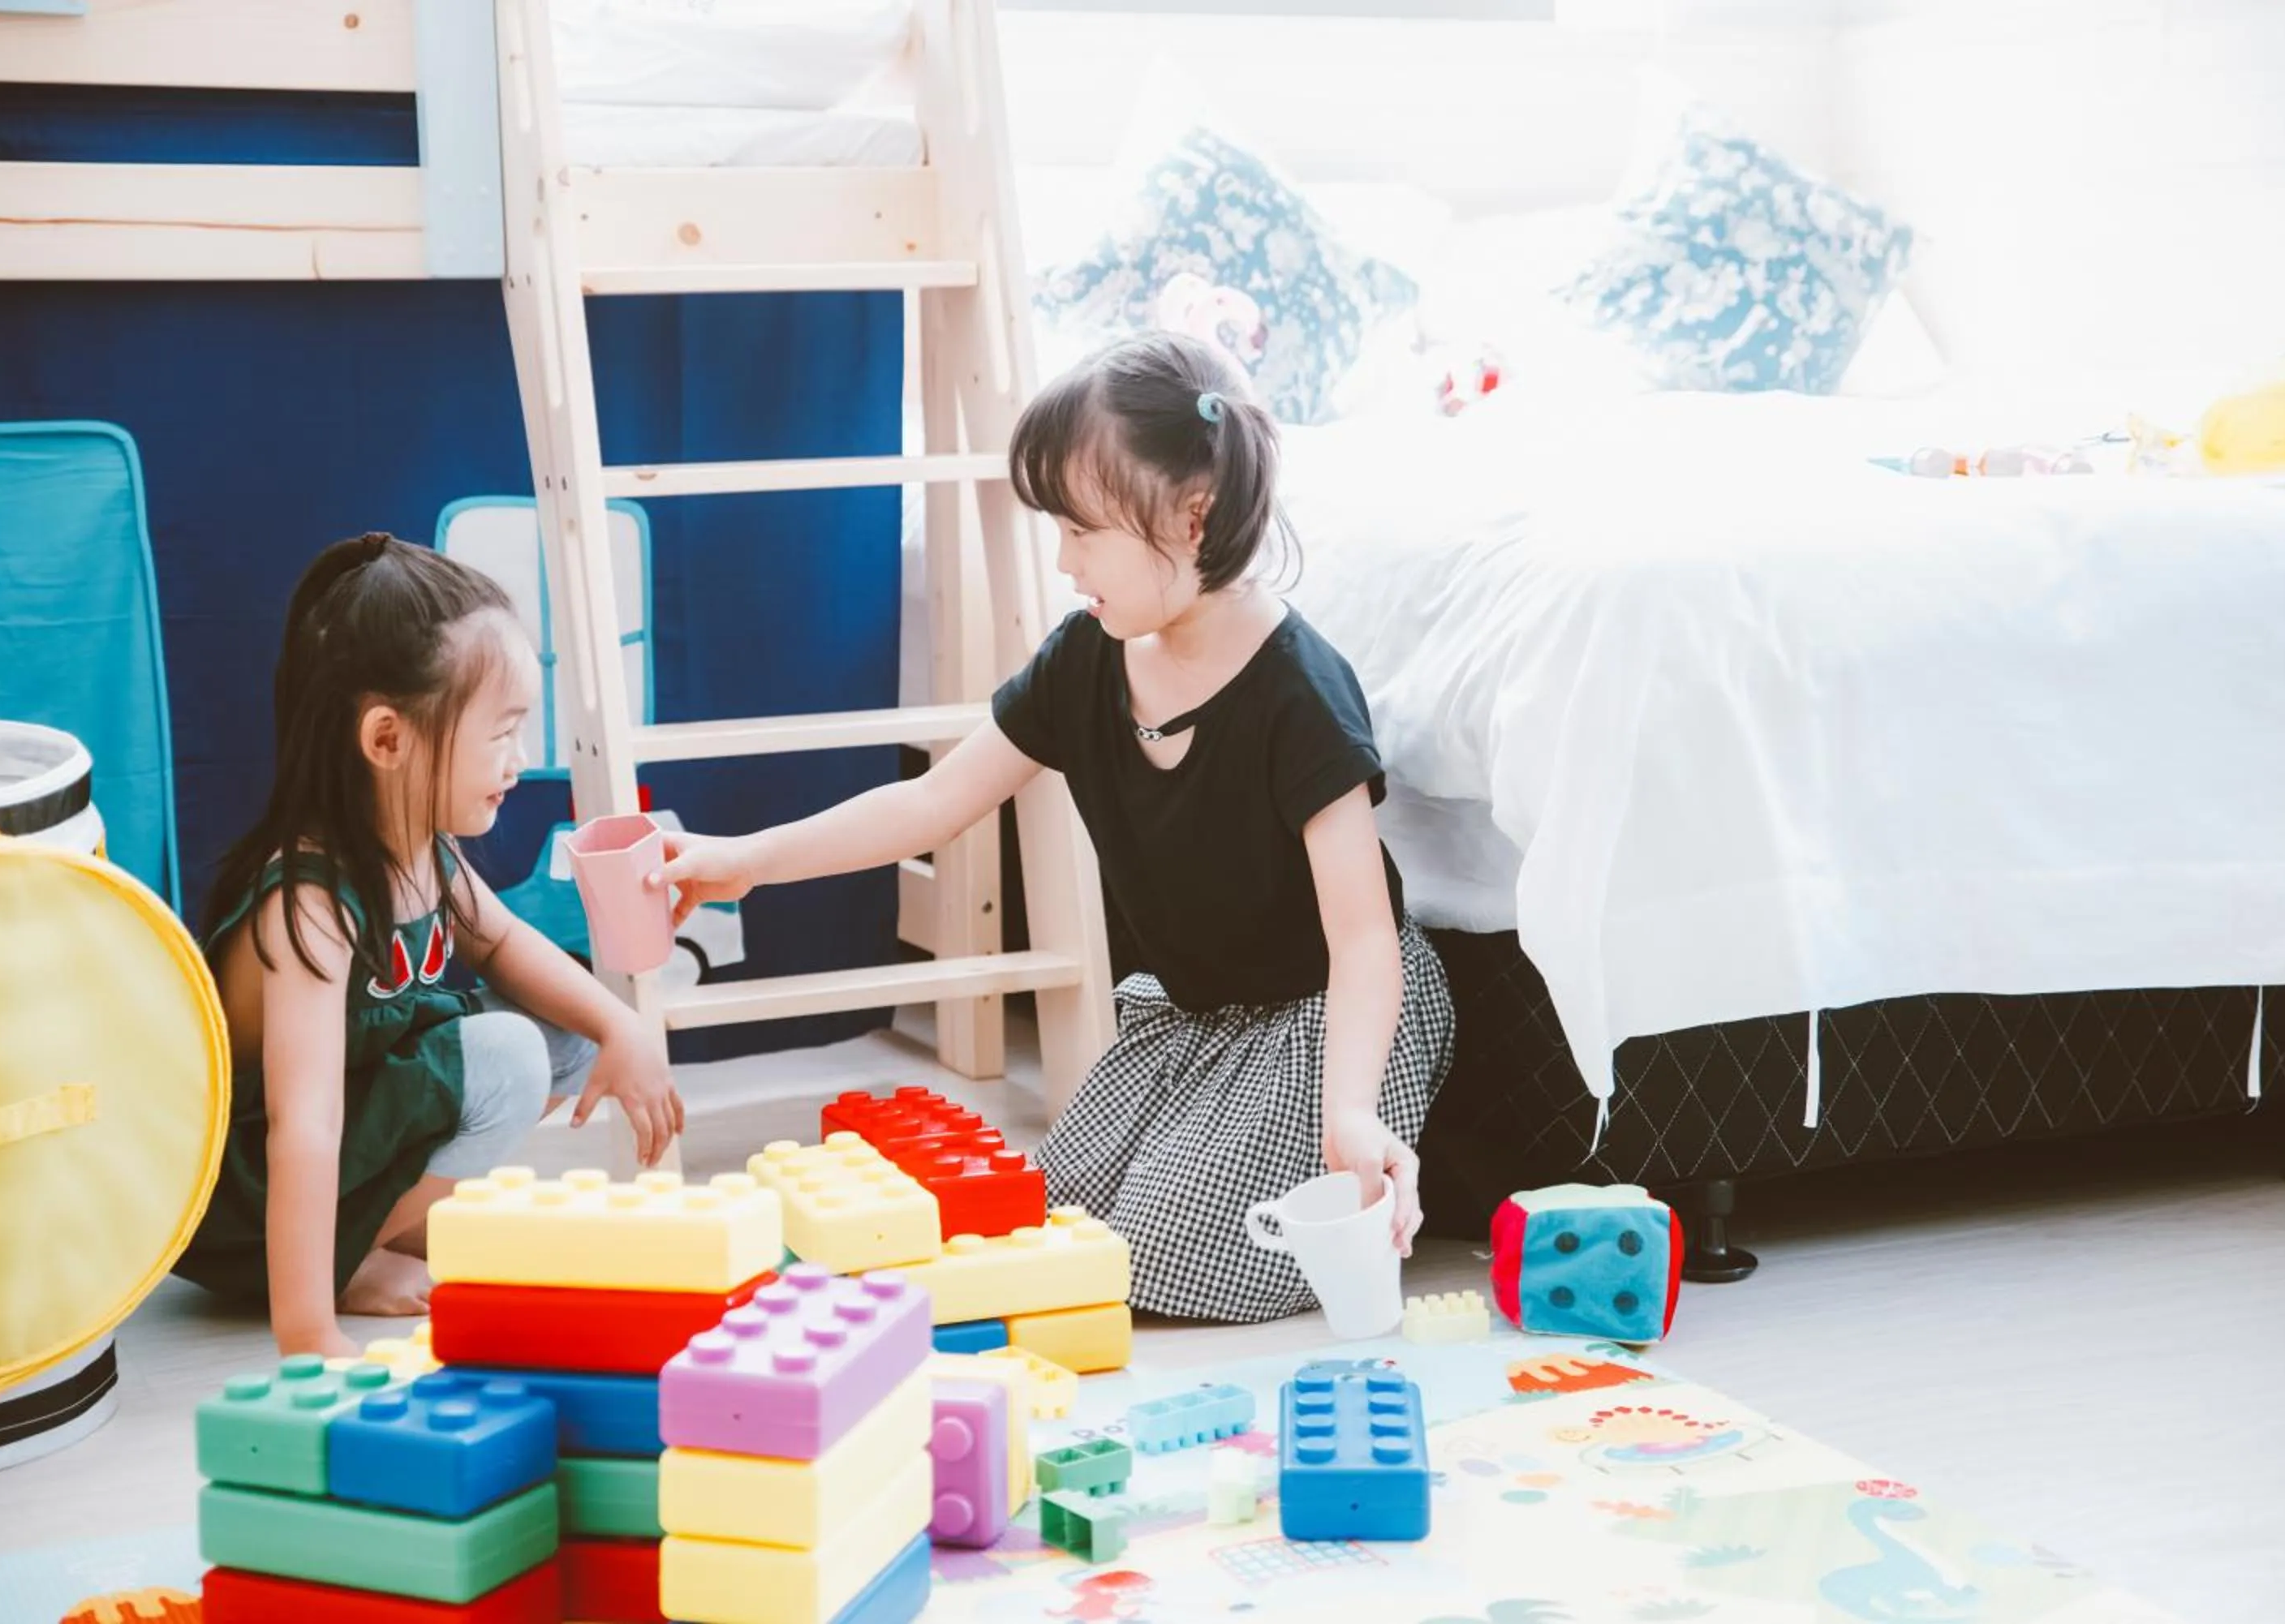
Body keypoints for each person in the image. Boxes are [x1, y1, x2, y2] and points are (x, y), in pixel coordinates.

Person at [656, 333, 1453, 1321]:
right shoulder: (1089, 657)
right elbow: (931, 802)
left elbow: (1364, 937)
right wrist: (746, 863)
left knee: (1157, 1259)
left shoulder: (1297, 692)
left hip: (1315, 1017)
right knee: (1053, 1223)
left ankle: (1365, 1157)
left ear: (1191, 516)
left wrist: (1348, 1106)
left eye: (1081, 532)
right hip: (1192, 1016)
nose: (1063, 560)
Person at [175, 532, 684, 1356]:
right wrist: (309, 1329)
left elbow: (511, 943)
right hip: (247, 1201)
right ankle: (346, 1261)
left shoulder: (422, 852)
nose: (519, 762)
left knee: (562, 1034)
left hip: (341, 1146)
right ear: (387, 741)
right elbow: (301, 1124)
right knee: (510, 1052)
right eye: (501, 734)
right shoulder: (311, 902)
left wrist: (621, 1028)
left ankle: (391, 1234)